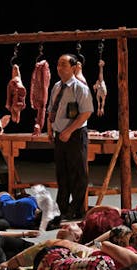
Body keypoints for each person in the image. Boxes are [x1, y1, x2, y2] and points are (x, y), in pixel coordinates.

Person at [47, 53, 94, 220]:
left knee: (78, 173)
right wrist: (50, 128)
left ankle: (76, 209)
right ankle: (63, 208)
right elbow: (51, 109)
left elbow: (86, 112)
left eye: (63, 65)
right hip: (60, 134)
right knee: (62, 172)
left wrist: (69, 131)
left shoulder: (80, 87)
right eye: (58, 64)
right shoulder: (57, 86)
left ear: (74, 68)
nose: (59, 68)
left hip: (75, 134)